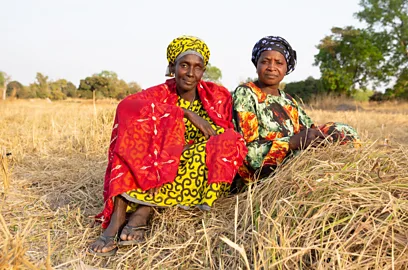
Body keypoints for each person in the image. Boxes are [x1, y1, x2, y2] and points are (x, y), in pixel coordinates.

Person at [89, 35, 247, 256]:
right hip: (159, 159)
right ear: (173, 66)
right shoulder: (160, 94)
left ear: (204, 70)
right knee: (130, 139)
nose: (191, 73)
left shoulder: (216, 95)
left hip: (192, 162)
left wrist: (184, 150)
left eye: (197, 67)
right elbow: (126, 107)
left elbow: (226, 133)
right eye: (184, 65)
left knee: (229, 144)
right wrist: (183, 113)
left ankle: (143, 210)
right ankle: (117, 218)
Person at [232, 36, 360, 183]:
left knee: (342, 131)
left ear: (287, 68)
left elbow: (309, 131)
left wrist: (321, 138)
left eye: (279, 63)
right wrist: (291, 142)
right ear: (257, 65)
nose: (271, 67)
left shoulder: (288, 100)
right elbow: (248, 154)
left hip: (292, 164)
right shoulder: (246, 94)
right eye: (265, 61)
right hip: (261, 175)